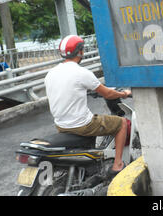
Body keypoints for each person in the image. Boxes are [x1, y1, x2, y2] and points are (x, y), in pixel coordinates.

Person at [45, 34, 131, 174]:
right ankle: (118, 164)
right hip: (81, 125)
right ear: (79, 51)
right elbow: (108, 94)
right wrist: (124, 94)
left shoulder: (51, 73)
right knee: (121, 123)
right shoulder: (81, 73)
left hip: (61, 125)